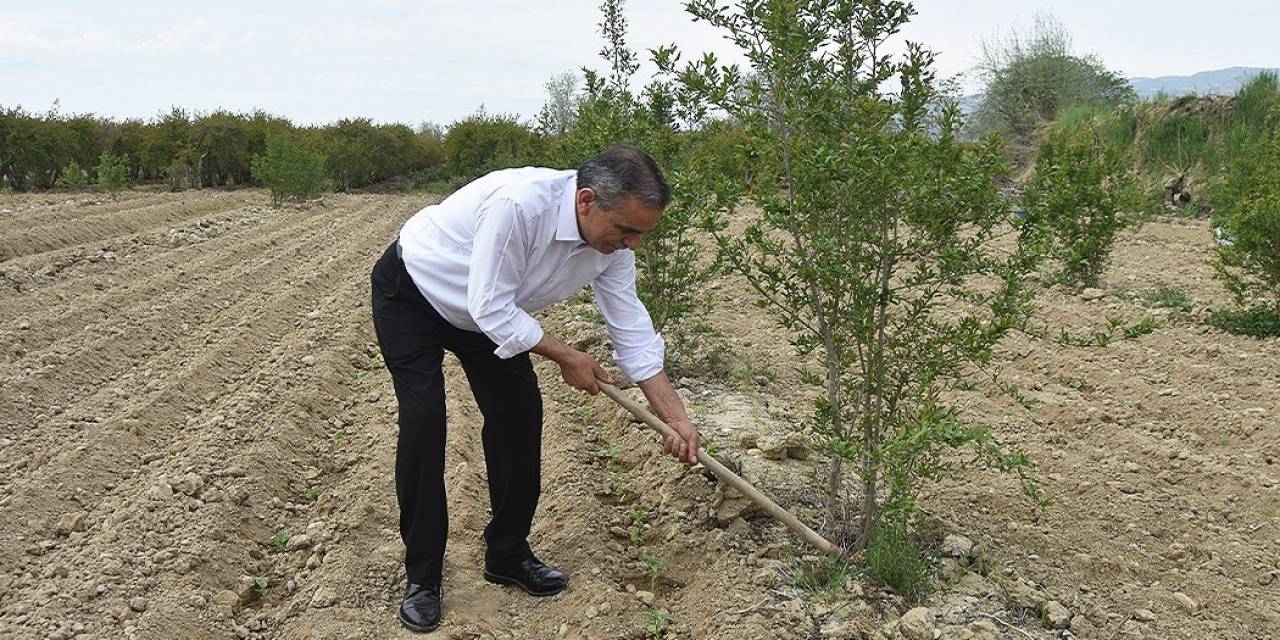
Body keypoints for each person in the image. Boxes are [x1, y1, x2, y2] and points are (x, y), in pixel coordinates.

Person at [369, 145, 700, 633]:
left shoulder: (614, 248)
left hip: (487, 313)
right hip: (414, 293)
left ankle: (506, 553)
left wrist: (675, 416)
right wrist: (567, 355)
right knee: (425, 422)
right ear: (586, 201)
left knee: (520, 415)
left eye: (642, 233)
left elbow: (631, 328)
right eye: (626, 230)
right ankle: (423, 576)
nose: (633, 244)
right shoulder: (520, 206)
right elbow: (489, 305)